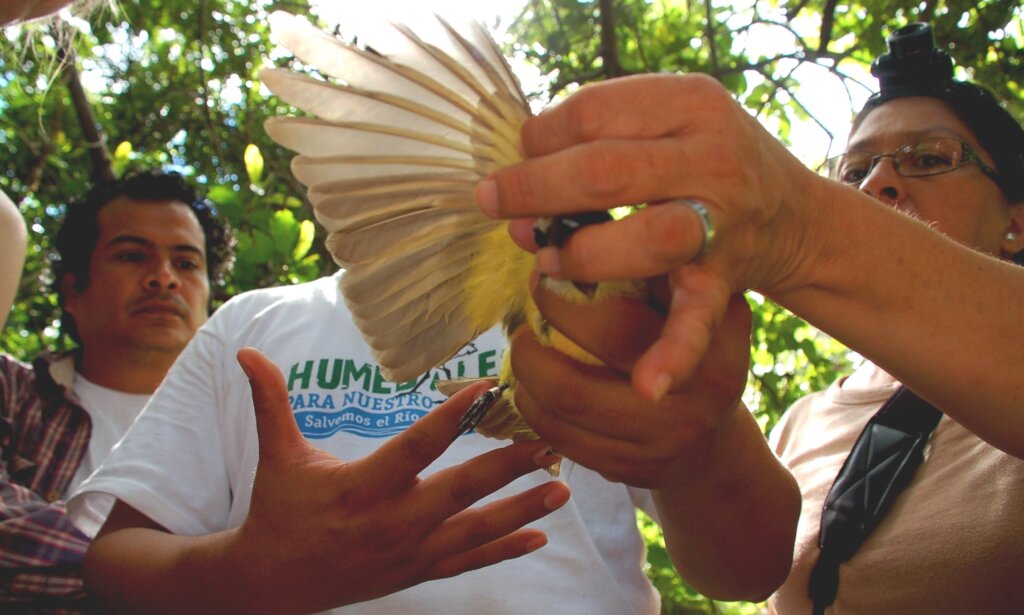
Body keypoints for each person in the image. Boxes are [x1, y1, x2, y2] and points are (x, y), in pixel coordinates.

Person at [479, 23, 1024, 613]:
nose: (879, 183)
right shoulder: (804, 422)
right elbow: (743, 580)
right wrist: (700, 444)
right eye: (853, 174)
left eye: (929, 158)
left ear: (1017, 221)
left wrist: (804, 224)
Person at [0, 170, 232, 611]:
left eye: (186, 263)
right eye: (131, 256)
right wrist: (212, 575)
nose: (163, 279)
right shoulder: (13, 394)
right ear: (72, 290)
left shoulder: (248, 427)